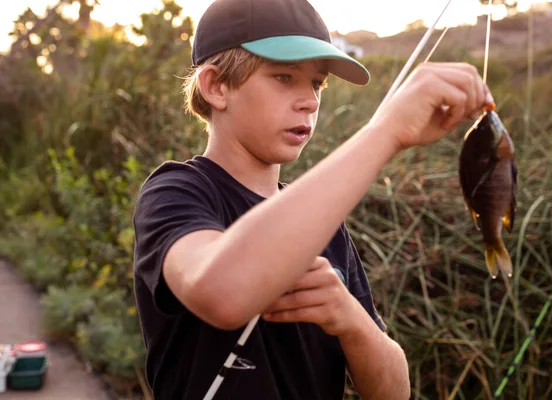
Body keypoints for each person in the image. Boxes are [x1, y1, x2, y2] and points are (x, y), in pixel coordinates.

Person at [132, 0, 495, 398]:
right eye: (284, 77)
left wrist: (349, 317)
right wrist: (385, 133)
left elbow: (393, 393)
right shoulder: (177, 191)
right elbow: (221, 292)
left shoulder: (324, 223)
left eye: (317, 84)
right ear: (216, 86)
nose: (310, 100)